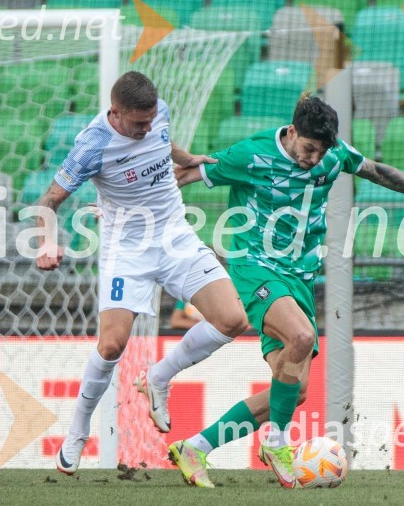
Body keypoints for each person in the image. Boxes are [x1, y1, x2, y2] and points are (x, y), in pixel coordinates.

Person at [166, 95, 404, 488]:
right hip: (255, 267)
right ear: (293, 131)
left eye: (322, 151)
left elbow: (377, 171)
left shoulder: (333, 156)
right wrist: (123, 208)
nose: (315, 158)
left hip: (300, 278)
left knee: (294, 392)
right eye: (309, 148)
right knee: (301, 336)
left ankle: (195, 447)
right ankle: (278, 444)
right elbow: (185, 175)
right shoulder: (251, 155)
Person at [35, 71, 248, 475]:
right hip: (126, 249)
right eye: (138, 123)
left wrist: (188, 160)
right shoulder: (91, 145)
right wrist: (47, 242)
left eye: (151, 120)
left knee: (233, 319)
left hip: (174, 236)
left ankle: (159, 378)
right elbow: (48, 200)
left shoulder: (156, 114)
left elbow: (162, 142)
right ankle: (79, 431)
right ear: (115, 112)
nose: (147, 127)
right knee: (112, 345)